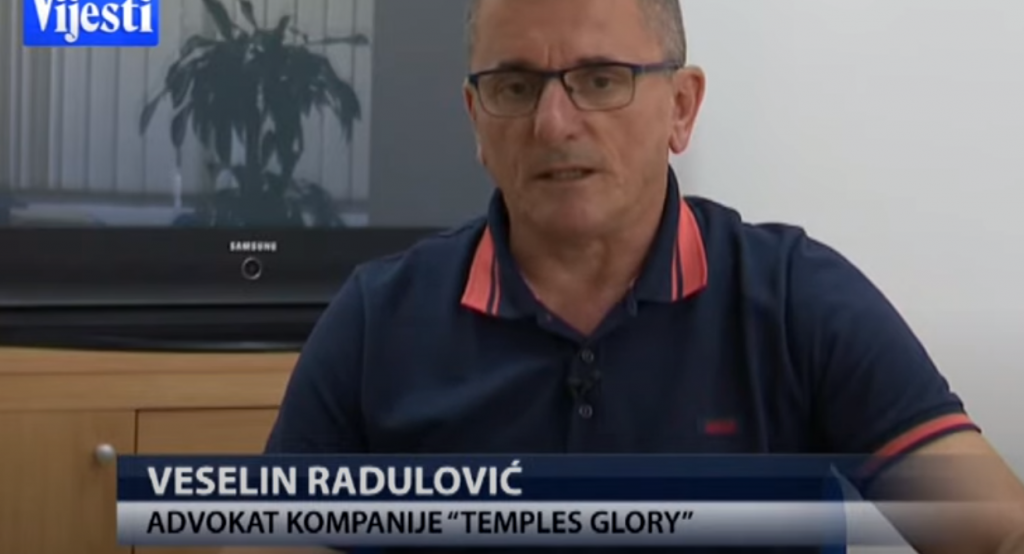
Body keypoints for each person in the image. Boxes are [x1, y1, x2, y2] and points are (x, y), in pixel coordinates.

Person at [224, 0, 1024, 552]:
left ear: (681, 107)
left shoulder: (796, 301)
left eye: (601, 78)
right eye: (514, 86)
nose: (553, 123)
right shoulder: (378, 319)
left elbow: (993, 528)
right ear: (476, 120)